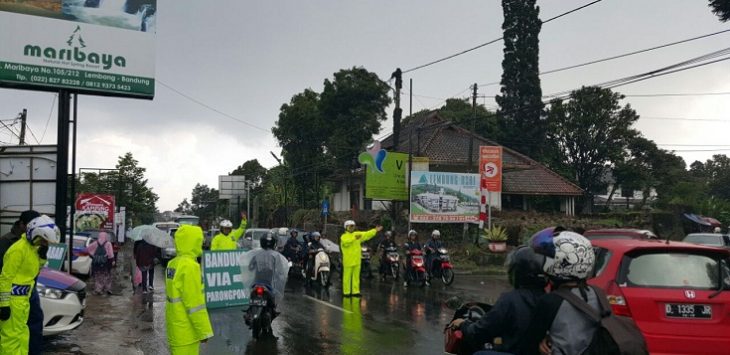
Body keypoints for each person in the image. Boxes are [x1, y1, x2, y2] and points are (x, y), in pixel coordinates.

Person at [449, 246, 548, 354]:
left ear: (518, 272)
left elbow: (480, 332)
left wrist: (463, 324)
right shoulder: (550, 298)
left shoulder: (510, 300)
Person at [522, 227, 599, 355]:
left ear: (561, 263)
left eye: (550, 257)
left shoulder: (550, 302)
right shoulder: (598, 294)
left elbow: (528, 344)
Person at [0, 215, 59, 354]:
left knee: (22, 334)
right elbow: (5, 278)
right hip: (13, 300)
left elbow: (33, 273)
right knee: (11, 338)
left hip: (23, 299)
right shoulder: (18, 249)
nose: (44, 244)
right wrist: (4, 305)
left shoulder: (32, 250)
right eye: (43, 240)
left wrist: (42, 257)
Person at [165, 225, 213, 355]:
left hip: (176, 328)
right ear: (193, 242)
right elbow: (194, 303)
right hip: (187, 332)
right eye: (199, 240)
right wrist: (204, 331)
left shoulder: (173, 264)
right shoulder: (190, 267)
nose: (201, 243)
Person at [340, 220, 382, 297]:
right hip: (348, 260)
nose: (352, 228)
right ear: (346, 227)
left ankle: (355, 291)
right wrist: (354, 238)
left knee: (356, 277)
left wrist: (375, 230)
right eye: (350, 226)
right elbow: (346, 242)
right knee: (347, 277)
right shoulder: (344, 236)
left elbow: (366, 234)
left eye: (353, 226)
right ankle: (346, 292)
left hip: (357, 260)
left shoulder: (357, 234)